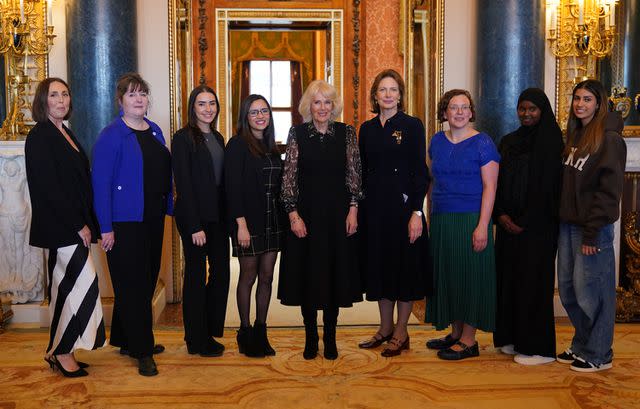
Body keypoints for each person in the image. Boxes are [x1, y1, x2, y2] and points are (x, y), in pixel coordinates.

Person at [92, 73, 172, 376]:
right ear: (121, 101)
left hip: (152, 218)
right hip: (124, 223)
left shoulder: (154, 131)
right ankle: (142, 349)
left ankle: (125, 338)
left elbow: (163, 173)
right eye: (132, 95)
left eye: (143, 94)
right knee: (134, 286)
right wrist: (106, 227)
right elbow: (100, 184)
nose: (139, 99)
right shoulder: (111, 135)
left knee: (148, 279)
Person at [25, 77, 106, 377]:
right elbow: (50, 188)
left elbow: (77, 183)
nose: (61, 100)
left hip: (73, 226)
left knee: (72, 288)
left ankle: (59, 349)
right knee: (72, 288)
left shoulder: (64, 133)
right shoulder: (40, 136)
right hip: (62, 228)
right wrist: (78, 225)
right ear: (43, 101)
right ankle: (61, 352)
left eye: (65, 94)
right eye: (54, 95)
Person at [278, 80, 363, 360]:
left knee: (333, 275)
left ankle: (330, 337)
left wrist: (353, 209)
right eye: (317, 102)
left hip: (338, 216)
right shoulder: (298, 134)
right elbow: (288, 178)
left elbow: (354, 174)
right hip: (306, 216)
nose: (323, 107)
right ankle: (311, 337)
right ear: (309, 106)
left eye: (327, 102)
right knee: (308, 275)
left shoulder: (346, 133)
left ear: (334, 106)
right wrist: (293, 215)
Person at [357, 69, 431, 357]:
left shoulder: (412, 125)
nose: (388, 95)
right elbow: (362, 171)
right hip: (374, 211)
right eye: (382, 90)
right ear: (375, 95)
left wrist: (416, 211)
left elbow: (420, 172)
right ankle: (384, 328)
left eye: (393, 90)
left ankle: (402, 331)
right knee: (380, 269)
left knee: (404, 270)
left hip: (404, 211)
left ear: (400, 95)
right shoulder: (367, 128)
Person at [556, 79, 626, 372]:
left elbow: (608, 192)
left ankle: (599, 353)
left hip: (591, 228)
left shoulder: (609, 139)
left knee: (593, 292)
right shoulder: (577, 135)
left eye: (586, 99)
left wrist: (592, 230)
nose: (580, 104)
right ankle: (583, 343)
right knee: (570, 290)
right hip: (569, 225)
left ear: (599, 103)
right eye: (577, 99)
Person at [425, 89, 500, 360]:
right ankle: (455, 333)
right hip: (443, 220)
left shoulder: (483, 143)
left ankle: (469, 341)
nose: (458, 112)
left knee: (470, 278)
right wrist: (431, 218)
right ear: (444, 112)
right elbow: (432, 183)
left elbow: (490, 188)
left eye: (464, 107)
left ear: (471, 113)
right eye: (453, 107)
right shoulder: (436, 141)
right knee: (450, 275)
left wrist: (483, 226)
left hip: (471, 218)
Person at [492, 88, 564, 365]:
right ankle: (511, 337)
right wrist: (501, 215)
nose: (526, 113)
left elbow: (550, 190)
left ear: (542, 110)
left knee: (533, 284)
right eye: (522, 108)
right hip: (508, 226)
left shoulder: (553, 143)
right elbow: (496, 183)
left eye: (532, 108)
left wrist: (527, 221)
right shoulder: (509, 141)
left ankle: (538, 348)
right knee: (509, 280)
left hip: (538, 229)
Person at [172, 85, 229, 358]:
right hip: (194, 217)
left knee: (222, 273)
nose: (208, 109)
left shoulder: (218, 137)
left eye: (212, 104)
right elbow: (183, 183)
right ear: (192, 108)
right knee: (196, 275)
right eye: (202, 104)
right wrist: (195, 225)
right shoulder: (183, 138)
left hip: (217, 217)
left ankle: (209, 330)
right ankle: (196, 338)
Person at [225, 94, 283, 358]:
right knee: (248, 276)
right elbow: (232, 188)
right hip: (248, 221)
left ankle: (261, 330)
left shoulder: (272, 147)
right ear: (245, 117)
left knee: (267, 276)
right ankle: (245, 331)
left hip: (273, 220)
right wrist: (241, 225)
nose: (260, 116)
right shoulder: (237, 145)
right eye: (254, 112)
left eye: (264, 111)